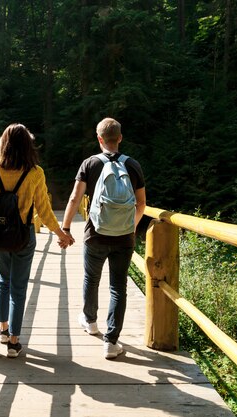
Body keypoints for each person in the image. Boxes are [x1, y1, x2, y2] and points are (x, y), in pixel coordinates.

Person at [0, 123, 74, 358]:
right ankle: (13, 342)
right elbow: (44, 209)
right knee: (19, 288)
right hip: (23, 236)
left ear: (3, 144)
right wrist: (61, 234)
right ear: (28, 146)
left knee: (3, 281)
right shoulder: (34, 173)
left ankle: (2, 330)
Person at [61, 117, 146, 359]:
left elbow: (74, 199)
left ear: (99, 139)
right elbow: (141, 203)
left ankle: (90, 321)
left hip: (95, 235)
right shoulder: (133, 165)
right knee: (118, 287)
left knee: (92, 279)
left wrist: (66, 229)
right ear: (119, 138)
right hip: (124, 238)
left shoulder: (89, 164)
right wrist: (130, 227)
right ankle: (111, 342)